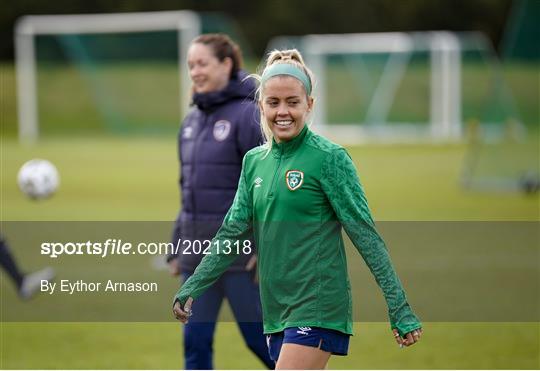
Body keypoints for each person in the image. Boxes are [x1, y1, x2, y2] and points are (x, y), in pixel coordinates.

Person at [172, 49, 422, 369]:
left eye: (293, 102)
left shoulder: (329, 158)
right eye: (273, 103)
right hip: (276, 310)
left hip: (318, 305)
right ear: (261, 106)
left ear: (310, 104)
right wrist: (194, 285)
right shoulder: (253, 163)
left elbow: (366, 235)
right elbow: (231, 231)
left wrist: (399, 306)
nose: (283, 111)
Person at [166, 34, 274, 370]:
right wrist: (177, 246)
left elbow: (266, 187)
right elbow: (188, 192)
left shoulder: (247, 116)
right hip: (197, 258)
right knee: (195, 344)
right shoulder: (191, 122)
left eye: (202, 63)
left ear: (226, 64)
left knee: (263, 343)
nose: (195, 72)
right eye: (190, 65)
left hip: (241, 257)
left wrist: (262, 246)